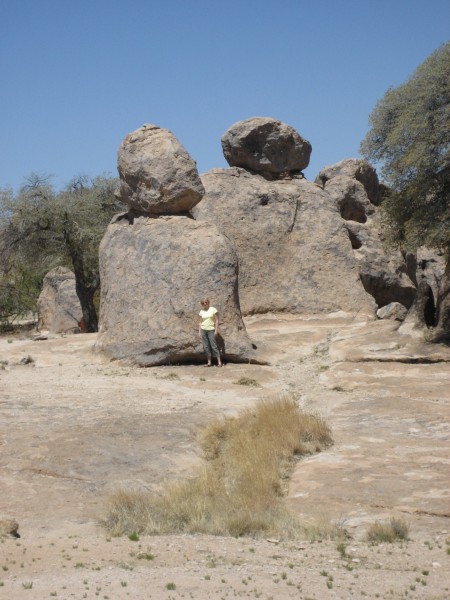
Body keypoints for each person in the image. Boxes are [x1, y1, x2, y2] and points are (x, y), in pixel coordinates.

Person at [198, 298, 222, 367]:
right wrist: (199, 332)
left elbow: (217, 320)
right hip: (203, 330)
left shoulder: (213, 309)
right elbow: (200, 322)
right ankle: (209, 362)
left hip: (211, 330)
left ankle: (219, 362)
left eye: (206, 302)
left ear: (208, 302)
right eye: (203, 303)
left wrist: (216, 330)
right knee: (206, 347)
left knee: (213, 346)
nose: (205, 304)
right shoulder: (201, 311)